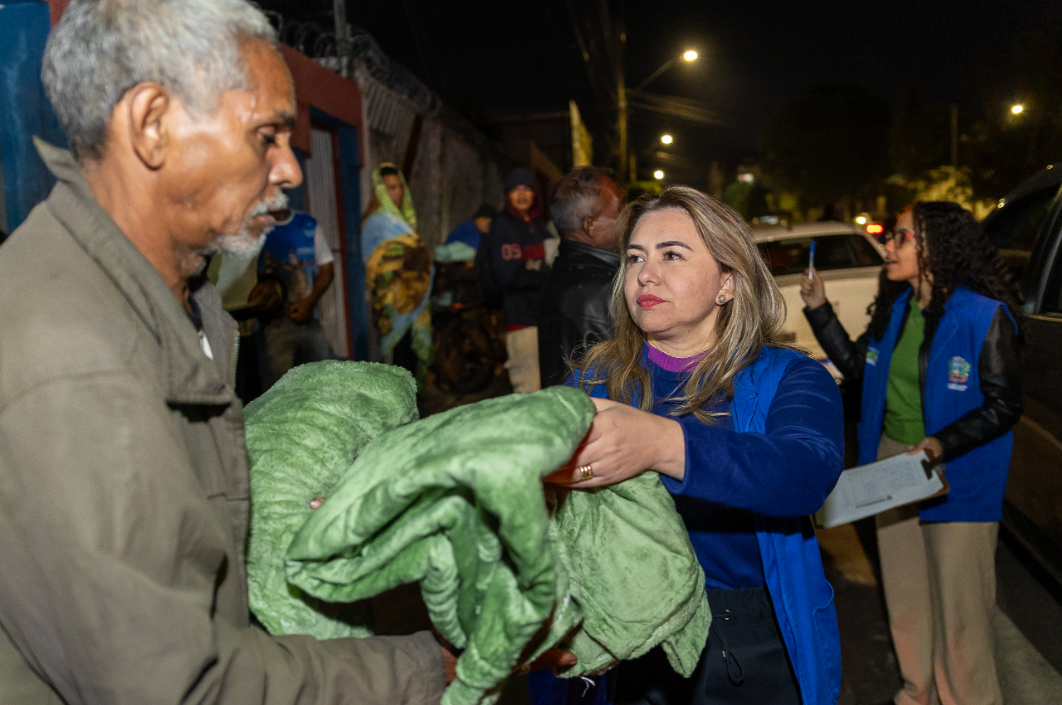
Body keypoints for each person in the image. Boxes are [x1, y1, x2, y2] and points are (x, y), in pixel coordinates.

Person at [0, 1, 453, 702]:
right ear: (151, 124)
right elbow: (184, 685)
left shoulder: (178, 303)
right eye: (266, 135)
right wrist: (426, 667)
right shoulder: (77, 359)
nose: (289, 170)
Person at [545, 187, 845, 704]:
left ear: (727, 282)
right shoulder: (595, 379)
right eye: (635, 256)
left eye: (672, 255)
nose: (645, 273)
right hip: (629, 631)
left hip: (748, 637)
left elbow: (805, 473)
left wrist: (663, 443)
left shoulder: (791, 377)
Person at [801, 202, 1023, 705]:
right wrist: (818, 308)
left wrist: (943, 442)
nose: (890, 248)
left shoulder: (983, 316)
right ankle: (916, 691)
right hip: (893, 465)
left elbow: (1006, 404)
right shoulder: (898, 310)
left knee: (960, 609)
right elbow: (858, 367)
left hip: (955, 470)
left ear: (935, 248)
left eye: (901, 238)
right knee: (905, 596)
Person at [538, 167, 625, 388]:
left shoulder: (560, 274)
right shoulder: (600, 289)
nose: (628, 218)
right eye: (620, 210)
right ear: (590, 225)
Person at [361, 163, 432, 380]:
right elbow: (373, 263)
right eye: (390, 188)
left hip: (411, 300)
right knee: (397, 365)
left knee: (408, 361)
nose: (397, 193)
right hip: (391, 304)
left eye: (399, 187)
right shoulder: (376, 222)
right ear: (380, 191)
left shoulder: (403, 221)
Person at [254, 208, 336, 389]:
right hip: (273, 327)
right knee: (279, 396)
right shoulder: (254, 227)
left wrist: (310, 302)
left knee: (321, 387)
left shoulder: (307, 224)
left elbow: (327, 270)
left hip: (309, 320)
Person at [487, 167, 552, 393]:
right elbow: (509, 275)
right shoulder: (503, 226)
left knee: (544, 385)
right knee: (528, 387)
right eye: (515, 189)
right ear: (507, 195)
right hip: (521, 318)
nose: (522, 194)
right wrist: (547, 277)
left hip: (542, 317)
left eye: (527, 189)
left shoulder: (538, 225)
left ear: (535, 194)